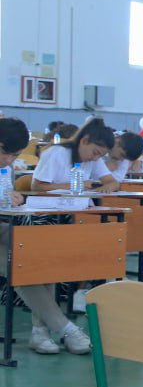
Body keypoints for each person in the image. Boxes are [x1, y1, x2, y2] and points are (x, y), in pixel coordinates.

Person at [0, 118, 96, 355]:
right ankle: (63, 329)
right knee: (20, 264)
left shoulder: (5, 167)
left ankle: (42, 332)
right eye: (6, 154)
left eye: (15, 156)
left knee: (41, 252)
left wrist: (12, 196)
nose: (9, 161)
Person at [32, 118, 120, 193]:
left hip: (78, 206)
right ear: (84, 141)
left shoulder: (94, 159)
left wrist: (107, 187)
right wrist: (75, 185)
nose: (96, 159)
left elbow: (113, 182)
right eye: (95, 153)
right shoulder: (56, 153)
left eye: (101, 156)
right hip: (52, 207)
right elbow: (37, 186)